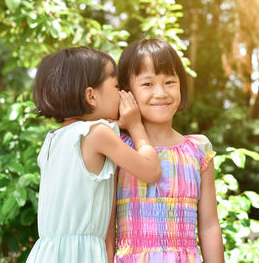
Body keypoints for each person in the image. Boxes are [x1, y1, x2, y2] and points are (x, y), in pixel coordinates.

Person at [26, 47, 161, 263]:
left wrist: (117, 124)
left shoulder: (54, 139)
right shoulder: (98, 134)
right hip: (81, 256)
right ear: (91, 96)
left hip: (47, 253)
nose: (122, 93)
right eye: (117, 86)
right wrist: (135, 126)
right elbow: (151, 171)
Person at [109, 38, 224, 263]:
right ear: (126, 92)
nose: (161, 93)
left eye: (170, 81)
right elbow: (106, 228)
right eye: (148, 84)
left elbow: (209, 225)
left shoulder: (198, 150)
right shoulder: (118, 148)